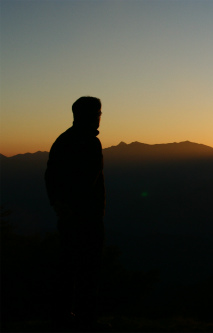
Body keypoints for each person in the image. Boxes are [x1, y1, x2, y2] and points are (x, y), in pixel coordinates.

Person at [45, 96, 107, 331]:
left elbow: (50, 176)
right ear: (92, 115)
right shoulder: (89, 142)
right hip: (87, 217)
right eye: (99, 112)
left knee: (68, 267)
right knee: (89, 269)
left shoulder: (63, 140)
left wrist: (59, 205)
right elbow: (87, 181)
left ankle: (62, 317)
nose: (100, 116)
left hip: (68, 217)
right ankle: (86, 320)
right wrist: (79, 209)